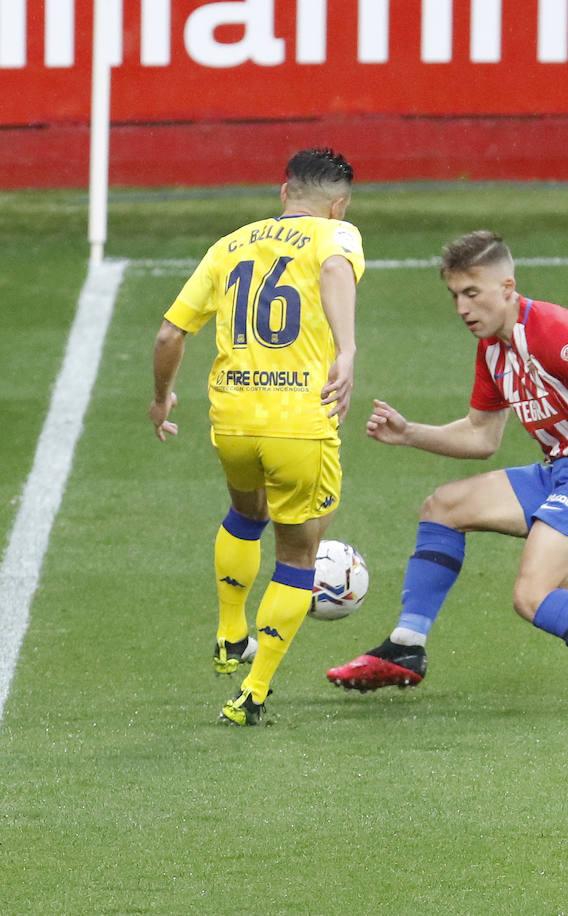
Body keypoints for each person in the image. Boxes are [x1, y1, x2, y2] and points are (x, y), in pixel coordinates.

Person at [326, 230, 568, 711]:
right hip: (563, 472)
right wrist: (409, 432)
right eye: (455, 296)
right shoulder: (493, 348)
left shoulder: (554, 331)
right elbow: (482, 436)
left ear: (508, 287)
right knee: (443, 507)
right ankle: (407, 648)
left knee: (533, 595)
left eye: (472, 293)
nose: (462, 308)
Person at [149, 147, 364, 726]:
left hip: (234, 418)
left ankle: (228, 633)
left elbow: (171, 333)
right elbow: (334, 270)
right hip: (300, 422)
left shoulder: (230, 244)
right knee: (298, 555)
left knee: (246, 514)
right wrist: (346, 349)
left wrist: (161, 396)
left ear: (282, 192)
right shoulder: (335, 236)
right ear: (337, 205)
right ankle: (254, 691)